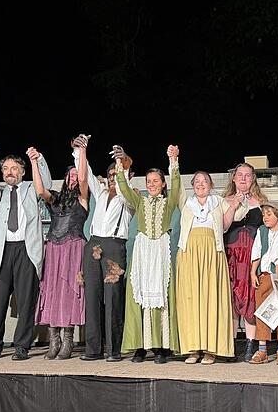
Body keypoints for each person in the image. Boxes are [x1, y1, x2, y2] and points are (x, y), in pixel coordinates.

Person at [0, 148, 52, 361]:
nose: (9, 172)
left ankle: (22, 345)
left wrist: (37, 159)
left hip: (26, 249)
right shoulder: (1, 192)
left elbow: (45, 186)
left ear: (22, 172)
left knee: (27, 300)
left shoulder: (30, 188)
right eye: (6, 169)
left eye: (14, 168)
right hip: (4, 250)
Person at [118, 145, 182, 364]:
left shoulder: (169, 201)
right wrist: (121, 167)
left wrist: (173, 160)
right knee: (140, 296)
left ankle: (162, 347)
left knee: (161, 297)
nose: (152, 184)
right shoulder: (140, 201)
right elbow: (125, 190)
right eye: (149, 182)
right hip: (143, 250)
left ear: (162, 183)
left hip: (161, 250)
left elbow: (177, 183)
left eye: (156, 181)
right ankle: (140, 347)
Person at [74, 138, 136, 362]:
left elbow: (124, 185)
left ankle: (114, 349)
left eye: (116, 175)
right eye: (110, 175)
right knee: (92, 297)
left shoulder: (130, 196)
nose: (112, 179)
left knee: (113, 299)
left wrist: (121, 163)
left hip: (113, 246)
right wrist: (81, 150)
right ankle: (92, 349)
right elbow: (86, 174)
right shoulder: (100, 193)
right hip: (94, 244)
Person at [29, 142, 89, 360]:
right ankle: (53, 339)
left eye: (75, 175)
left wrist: (82, 152)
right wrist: (34, 162)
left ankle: (68, 340)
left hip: (73, 249)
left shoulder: (83, 198)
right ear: (64, 178)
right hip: (54, 249)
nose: (73, 178)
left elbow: (83, 178)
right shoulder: (54, 197)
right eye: (70, 175)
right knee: (52, 291)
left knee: (69, 291)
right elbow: (39, 190)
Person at [176, 171, 235, 365]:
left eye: (205, 181)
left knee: (211, 298)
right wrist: (173, 162)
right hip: (189, 252)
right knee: (190, 299)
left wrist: (234, 205)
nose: (201, 184)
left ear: (211, 185)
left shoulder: (218, 201)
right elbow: (175, 184)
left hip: (212, 251)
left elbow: (227, 223)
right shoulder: (186, 201)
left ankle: (211, 349)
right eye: (197, 181)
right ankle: (193, 348)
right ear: (192, 185)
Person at [222, 163, 268, 361]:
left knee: (250, 298)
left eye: (248, 176)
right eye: (239, 175)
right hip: (231, 256)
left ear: (253, 179)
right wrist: (235, 204)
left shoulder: (262, 202)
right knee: (231, 299)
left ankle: (251, 344)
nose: (243, 179)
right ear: (233, 178)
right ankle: (231, 344)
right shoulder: (223, 201)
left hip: (251, 258)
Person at [248, 201, 278, 365]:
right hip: (265, 275)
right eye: (264, 215)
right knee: (262, 311)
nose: (265, 218)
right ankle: (262, 349)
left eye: (269, 214)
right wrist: (253, 272)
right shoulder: (262, 231)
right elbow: (257, 251)